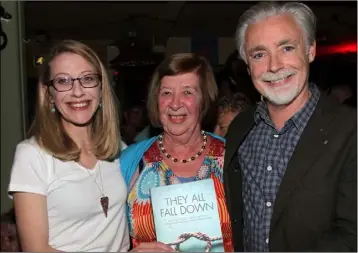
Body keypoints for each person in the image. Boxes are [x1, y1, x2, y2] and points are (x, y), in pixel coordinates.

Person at [223, 2, 357, 252]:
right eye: (259, 54)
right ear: (248, 65)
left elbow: (352, 237)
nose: (274, 66)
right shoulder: (240, 128)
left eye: (286, 48)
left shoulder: (351, 130)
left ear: (310, 50)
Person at [8, 40, 130, 252]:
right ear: (49, 94)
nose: (77, 91)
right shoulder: (32, 155)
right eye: (63, 81)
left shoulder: (120, 149)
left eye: (88, 79)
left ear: (101, 89)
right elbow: (36, 250)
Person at [120, 53, 233, 252]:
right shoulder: (129, 162)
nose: (175, 103)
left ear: (204, 99)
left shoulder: (233, 158)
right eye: (166, 93)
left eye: (187, 92)